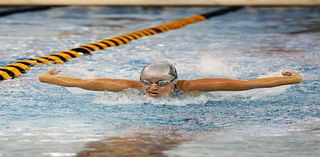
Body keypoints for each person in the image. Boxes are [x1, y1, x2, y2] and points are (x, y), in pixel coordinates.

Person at [39, 62, 302, 98]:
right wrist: (46, 75)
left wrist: (293, 78)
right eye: (148, 82)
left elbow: (248, 85)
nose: (152, 87)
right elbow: (78, 83)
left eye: (161, 83)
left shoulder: (196, 87)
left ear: (174, 83)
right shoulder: (127, 88)